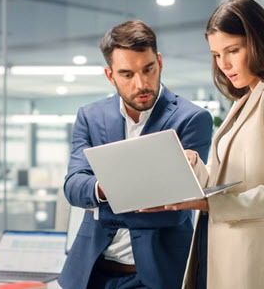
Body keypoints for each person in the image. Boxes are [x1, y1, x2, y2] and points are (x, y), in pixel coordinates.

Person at [149, 0, 264, 289]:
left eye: (233, 50)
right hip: (221, 252)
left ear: (258, 41)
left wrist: (209, 203)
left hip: (253, 262)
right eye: (217, 55)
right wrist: (194, 167)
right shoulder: (244, 99)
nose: (224, 64)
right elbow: (232, 180)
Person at [58, 20, 213, 289]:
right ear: (110, 75)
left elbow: (176, 208)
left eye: (148, 69)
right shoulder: (90, 117)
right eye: (127, 74)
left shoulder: (192, 119)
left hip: (157, 275)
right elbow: (73, 187)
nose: (141, 84)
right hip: (92, 272)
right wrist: (107, 189)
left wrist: (102, 207)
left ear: (160, 62)